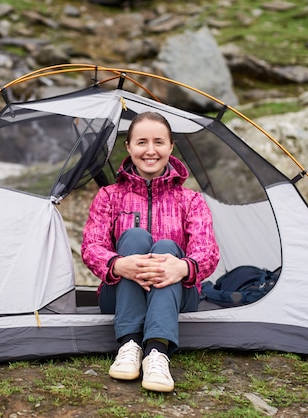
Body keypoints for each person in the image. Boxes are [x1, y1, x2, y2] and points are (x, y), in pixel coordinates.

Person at [81, 111, 220, 392]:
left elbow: (208, 251)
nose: (150, 150)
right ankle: (130, 345)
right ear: (129, 147)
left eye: (159, 142)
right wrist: (119, 265)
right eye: (142, 142)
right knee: (133, 237)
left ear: (170, 146)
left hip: (178, 298)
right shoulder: (109, 196)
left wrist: (182, 267)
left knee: (168, 248)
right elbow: (91, 247)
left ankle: (157, 353)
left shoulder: (191, 200)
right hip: (117, 297)